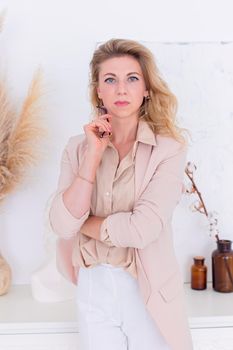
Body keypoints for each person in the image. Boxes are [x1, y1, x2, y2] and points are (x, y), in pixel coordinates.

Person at [49, 38, 193, 350]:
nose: (121, 89)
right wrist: (92, 156)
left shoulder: (169, 150)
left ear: (146, 89)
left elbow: (142, 230)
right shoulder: (77, 147)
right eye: (110, 80)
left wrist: (82, 221)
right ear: (98, 90)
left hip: (148, 288)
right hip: (92, 286)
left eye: (132, 79)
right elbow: (61, 226)